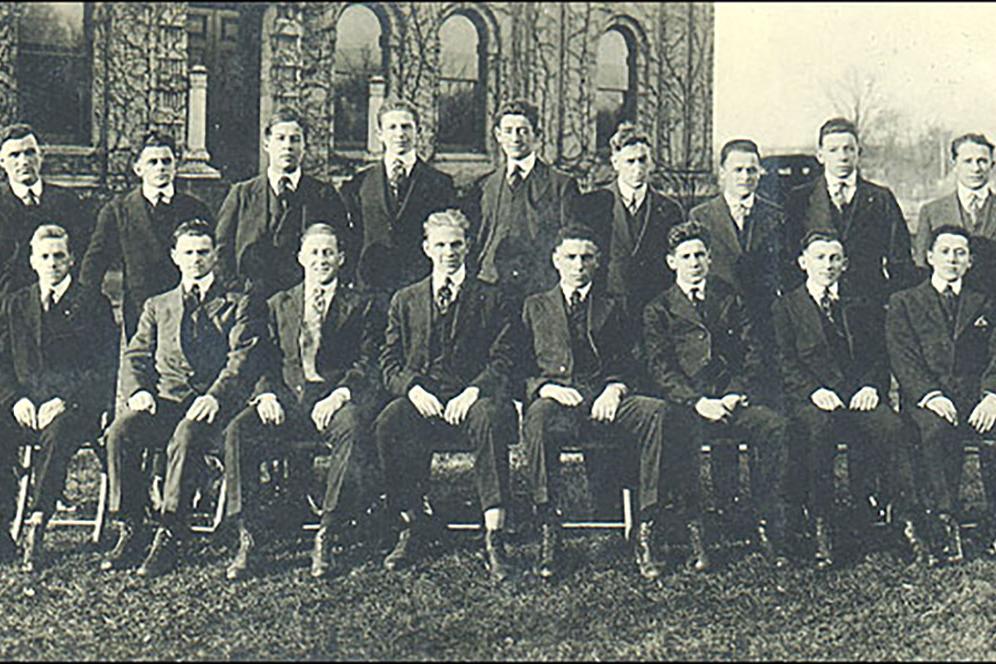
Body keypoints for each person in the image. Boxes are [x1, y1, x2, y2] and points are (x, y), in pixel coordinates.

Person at [521, 224, 683, 581]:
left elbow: (633, 360)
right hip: (560, 400)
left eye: (586, 258)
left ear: (597, 263)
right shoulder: (535, 306)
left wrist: (615, 387)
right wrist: (545, 388)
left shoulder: (615, 305)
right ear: (556, 260)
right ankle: (549, 530)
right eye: (571, 257)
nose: (578, 265)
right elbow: (516, 364)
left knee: (656, 412)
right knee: (536, 419)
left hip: (606, 399)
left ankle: (646, 528)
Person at [222, 223, 382, 580]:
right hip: (288, 401)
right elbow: (261, 356)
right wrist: (265, 393)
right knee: (238, 431)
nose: (321, 260)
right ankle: (248, 535)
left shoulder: (361, 304)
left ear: (341, 258)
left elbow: (367, 362)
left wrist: (341, 394)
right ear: (300, 257)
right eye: (314, 252)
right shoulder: (280, 302)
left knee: (353, 427)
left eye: (328, 253)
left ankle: (327, 530)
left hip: (335, 400)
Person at [99, 221, 258, 577]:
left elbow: (240, 359)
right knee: (120, 432)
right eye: (188, 252)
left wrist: (216, 396)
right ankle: (131, 526)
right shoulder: (158, 305)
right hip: (165, 400)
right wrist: (140, 390)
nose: (196, 259)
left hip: (212, 407)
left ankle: (170, 531)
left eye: (203, 252)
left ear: (215, 255)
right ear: (175, 257)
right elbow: (136, 354)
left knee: (187, 435)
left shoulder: (237, 303)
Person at [375, 209, 518, 583]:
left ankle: (494, 536)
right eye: (440, 245)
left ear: (468, 247)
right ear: (426, 248)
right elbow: (388, 362)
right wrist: (412, 388)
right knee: (390, 420)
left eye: (456, 244)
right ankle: (411, 522)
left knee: (488, 419)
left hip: (473, 397)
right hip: (425, 397)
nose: (449, 252)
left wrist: (473, 391)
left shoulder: (491, 297)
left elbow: (504, 359)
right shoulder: (405, 300)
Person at [773, 229, 924, 569]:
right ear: (803, 263)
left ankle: (906, 522)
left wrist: (871, 386)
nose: (827, 265)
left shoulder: (861, 303)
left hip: (859, 397)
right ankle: (822, 526)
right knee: (817, 432)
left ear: (845, 264)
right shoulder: (786, 306)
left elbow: (878, 354)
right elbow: (783, 360)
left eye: (834, 258)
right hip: (813, 399)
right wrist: (813, 391)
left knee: (893, 429)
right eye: (820, 258)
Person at [643, 221, 790, 571]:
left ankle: (767, 523)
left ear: (710, 259)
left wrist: (736, 393)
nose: (693, 262)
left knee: (775, 427)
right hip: (688, 404)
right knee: (678, 433)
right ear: (671, 262)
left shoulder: (730, 298)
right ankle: (695, 531)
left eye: (699, 255)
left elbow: (753, 352)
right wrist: (697, 402)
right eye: (685, 256)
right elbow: (660, 368)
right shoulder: (658, 308)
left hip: (730, 400)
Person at [0, 225, 116, 572]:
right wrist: (15, 400)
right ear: (33, 262)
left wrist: (65, 399)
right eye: (45, 257)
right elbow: (2, 360)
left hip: (74, 409)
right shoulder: (17, 303)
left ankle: (37, 519)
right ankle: (3, 527)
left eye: (59, 256)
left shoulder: (92, 302)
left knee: (58, 432)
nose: (52, 263)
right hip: (25, 406)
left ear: (72, 260)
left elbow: (105, 368)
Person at [887, 224, 996, 566]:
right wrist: (930, 394)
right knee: (935, 431)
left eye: (960, 253)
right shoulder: (904, 301)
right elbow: (902, 357)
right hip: (927, 399)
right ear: (929, 256)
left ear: (970, 261)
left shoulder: (986, 302)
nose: (952, 258)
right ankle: (944, 523)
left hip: (976, 398)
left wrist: (992, 395)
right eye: (945, 251)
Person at [80, 131, 213, 338]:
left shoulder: (195, 208)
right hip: (139, 310)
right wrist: (86, 303)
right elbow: (95, 261)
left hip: (188, 307)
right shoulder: (118, 210)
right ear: (138, 168)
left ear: (175, 166)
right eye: (153, 162)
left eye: (166, 161)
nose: (161, 167)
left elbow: (213, 257)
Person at [215, 109, 349, 302]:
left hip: (303, 301)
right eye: (281, 138)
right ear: (267, 144)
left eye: (295, 139)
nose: (288, 146)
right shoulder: (242, 194)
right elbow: (222, 248)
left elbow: (342, 245)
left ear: (304, 146)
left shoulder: (323, 195)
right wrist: (235, 290)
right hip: (249, 300)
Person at [784, 118, 917, 303]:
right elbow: (789, 257)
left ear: (858, 153)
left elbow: (900, 260)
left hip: (870, 303)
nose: (842, 156)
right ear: (820, 155)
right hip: (814, 305)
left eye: (849, 149)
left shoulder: (880, 198)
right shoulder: (799, 199)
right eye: (833, 150)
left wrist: (893, 304)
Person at [342, 99, 456, 292]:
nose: (400, 134)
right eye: (392, 127)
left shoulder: (439, 184)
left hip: (418, 285)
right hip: (371, 285)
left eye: (406, 127)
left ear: (418, 132)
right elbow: (353, 238)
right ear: (380, 134)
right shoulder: (360, 183)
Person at [474, 99, 580, 303]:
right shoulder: (486, 185)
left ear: (537, 136)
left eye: (522, 130)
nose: (515, 138)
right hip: (490, 288)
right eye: (508, 130)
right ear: (498, 136)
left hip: (538, 289)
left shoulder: (561, 185)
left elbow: (569, 242)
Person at [581, 123, 684, 317]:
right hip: (606, 309)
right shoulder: (592, 205)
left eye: (643, 160)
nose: (637, 168)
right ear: (615, 163)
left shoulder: (670, 209)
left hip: (655, 310)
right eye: (630, 161)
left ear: (651, 162)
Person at [690, 139, 787, 344]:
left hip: (764, 318)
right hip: (719, 317)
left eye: (752, 170)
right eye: (738, 170)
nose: (745, 177)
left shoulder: (776, 216)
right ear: (723, 172)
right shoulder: (701, 216)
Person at [0, 123, 92, 298]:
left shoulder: (67, 201)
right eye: (14, 155)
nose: (24, 161)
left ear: (41, 156)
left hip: (58, 302)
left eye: (30, 152)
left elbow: (81, 253)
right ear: (2, 161)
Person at [914, 133, 996, 296]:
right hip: (948, 306)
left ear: (992, 165)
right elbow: (922, 267)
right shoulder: (932, 212)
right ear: (954, 164)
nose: (976, 168)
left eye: (982, 161)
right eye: (968, 161)